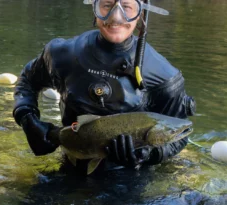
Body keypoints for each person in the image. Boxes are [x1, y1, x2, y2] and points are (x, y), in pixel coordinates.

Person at [13, 0, 196, 172]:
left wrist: (147, 155)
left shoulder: (164, 75)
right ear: (94, 7)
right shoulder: (62, 54)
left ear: (141, 13)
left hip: (132, 176)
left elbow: (179, 138)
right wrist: (27, 118)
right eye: (107, 5)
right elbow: (27, 81)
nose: (116, 17)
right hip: (71, 165)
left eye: (127, 7)